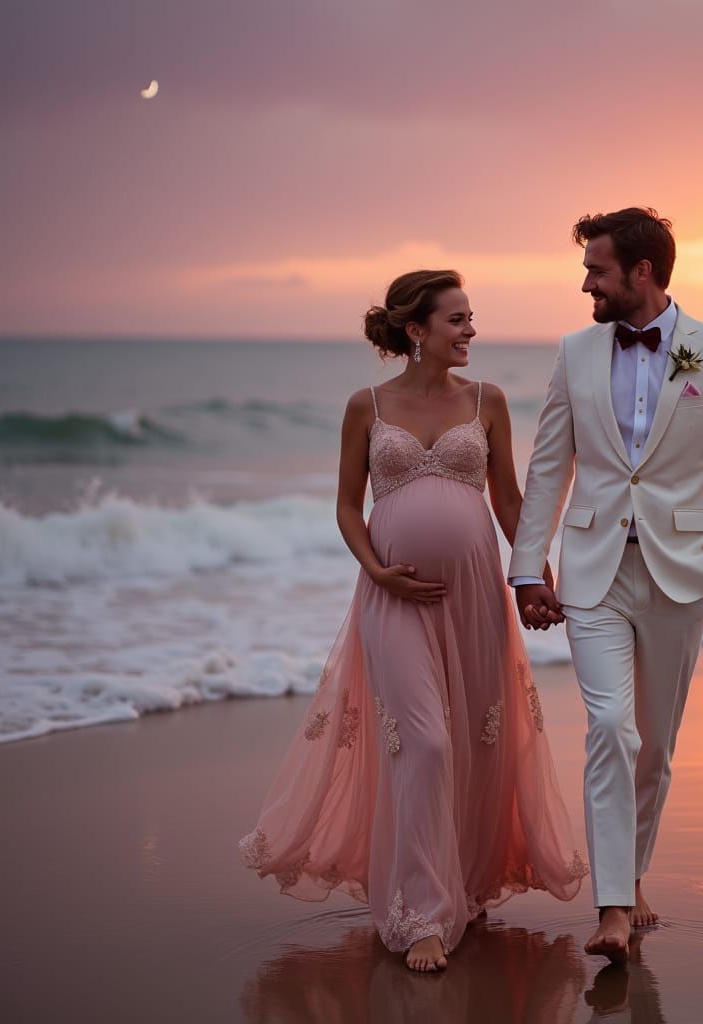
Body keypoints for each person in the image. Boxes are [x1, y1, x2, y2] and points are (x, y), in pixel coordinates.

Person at [240, 269, 587, 972]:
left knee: (471, 743)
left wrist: (534, 578)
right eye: (456, 320)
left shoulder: (487, 401)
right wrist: (374, 567)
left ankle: (464, 883)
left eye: (470, 318)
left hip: (475, 600)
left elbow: (510, 502)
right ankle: (423, 916)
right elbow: (346, 504)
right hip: (393, 599)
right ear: (415, 330)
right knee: (424, 744)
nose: (470, 331)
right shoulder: (366, 406)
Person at [508, 208, 703, 961]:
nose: (586, 281)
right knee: (611, 730)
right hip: (593, 574)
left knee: (654, 748)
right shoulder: (575, 352)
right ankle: (613, 907)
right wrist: (528, 568)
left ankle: (632, 871)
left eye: (598, 269)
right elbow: (549, 465)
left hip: (681, 576)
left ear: (642, 273)